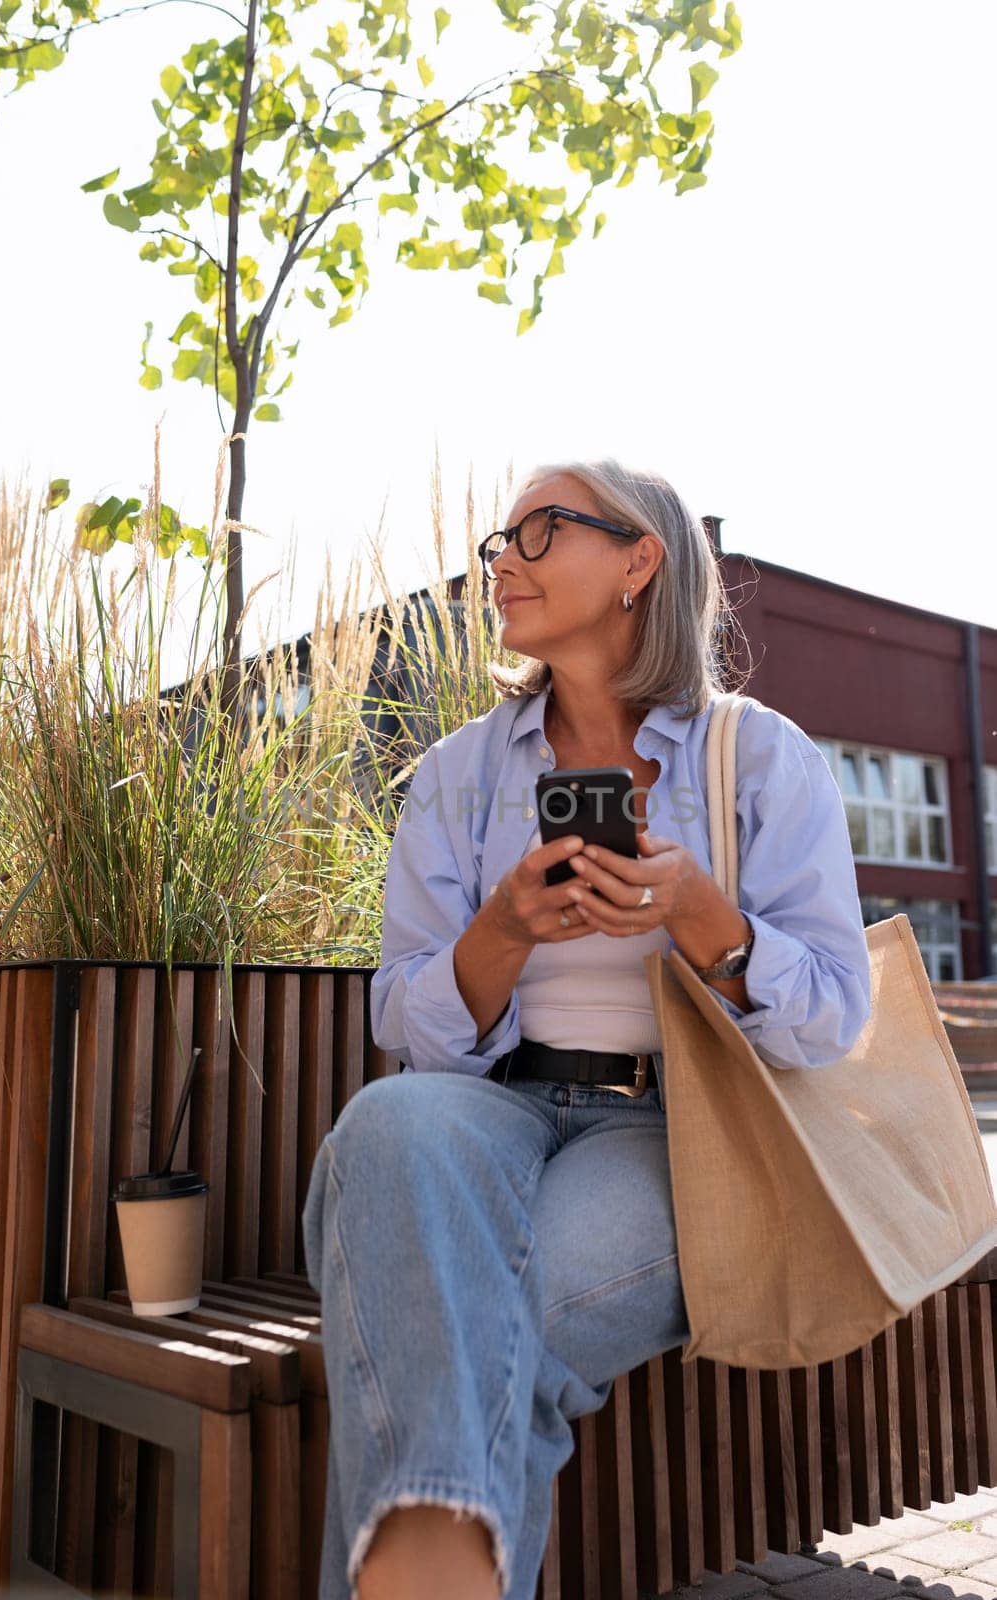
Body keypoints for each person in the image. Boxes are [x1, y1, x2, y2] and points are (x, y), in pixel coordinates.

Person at [301, 459, 872, 1600]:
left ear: (635, 560)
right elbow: (409, 1024)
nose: (500, 559)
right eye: (495, 543)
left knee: (470, 1338)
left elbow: (834, 1018)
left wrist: (706, 920)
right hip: (489, 1102)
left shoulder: (758, 757)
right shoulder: (455, 775)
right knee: (386, 1122)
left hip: (677, 1130)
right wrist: (502, 931)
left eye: (537, 530)